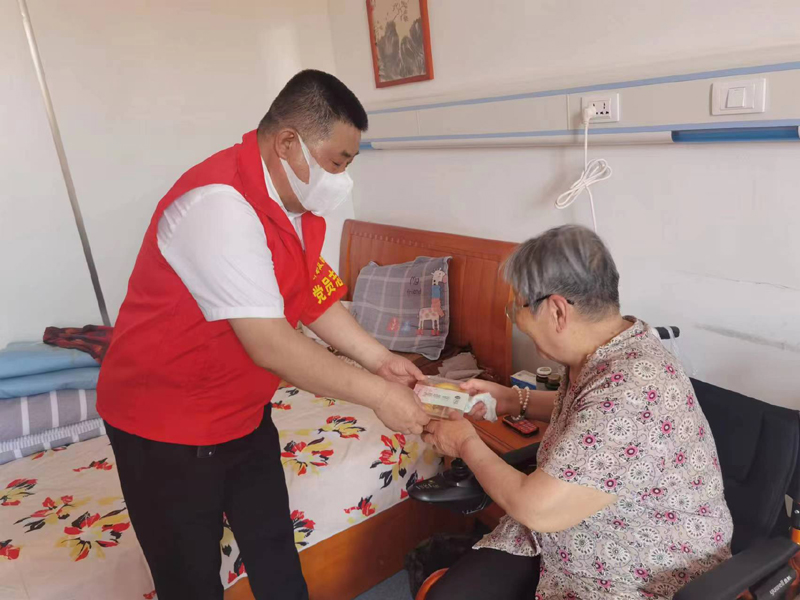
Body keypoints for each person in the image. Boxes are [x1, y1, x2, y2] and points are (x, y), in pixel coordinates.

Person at [97, 70, 430, 600]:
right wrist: (380, 396)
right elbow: (271, 343)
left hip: (243, 413)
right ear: (288, 143)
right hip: (166, 426)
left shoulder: (293, 207)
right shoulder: (218, 205)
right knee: (190, 581)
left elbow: (313, 295)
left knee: (274, 550)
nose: (342, 179)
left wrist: (379, 360)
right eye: (338, 162)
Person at [422, 225, 733, 600]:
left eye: (518, 307)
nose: (516, 319)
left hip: (641, 569)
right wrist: (511, 399)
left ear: (557, 311)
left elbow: (538, 510)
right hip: (572, 535)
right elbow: (589, 413)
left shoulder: (633, 390)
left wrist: (466, 443)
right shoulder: (615, 346)